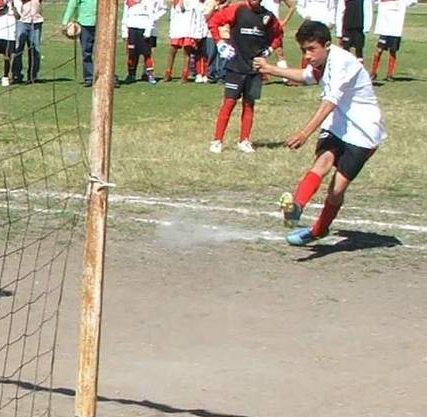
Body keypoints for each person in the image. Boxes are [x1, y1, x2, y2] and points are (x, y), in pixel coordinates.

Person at [254, 21, 385, 246]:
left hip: (364, 131)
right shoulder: (323, 62)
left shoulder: (342, 62)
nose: (307, 55)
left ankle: (318, 230)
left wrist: (305, 132)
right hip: (337, 124)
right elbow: (307, 76)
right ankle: (296, 209)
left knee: (337, 189)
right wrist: (270, 69)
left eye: (312, 49)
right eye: (304, 50)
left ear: (327, 45)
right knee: (322, 163)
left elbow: (330, 102)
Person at [207, 0, 283, 154]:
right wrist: (220, 43)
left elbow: (279, 34)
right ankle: (217, 140)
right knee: (229, 103)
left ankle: (244, 140)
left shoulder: (268, 16)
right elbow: (214, 21)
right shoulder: (237, 9)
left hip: (255, 67)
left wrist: (269, 49)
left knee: (249, 104)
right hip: (235, 66)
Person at [369, 0, 416, 81]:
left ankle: (389, 75)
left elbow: (413, 2)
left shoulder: (402, 2)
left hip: (395, 31)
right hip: (384, 30)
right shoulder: (383, 1)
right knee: (379, 50)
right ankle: (373, 73)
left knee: (393, 51)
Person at [122, 0, 158, 84]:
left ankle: (150, 75)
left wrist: (148, 30)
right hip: (132, 29)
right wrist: (124, 31)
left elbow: (151, 16)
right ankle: (131, 74)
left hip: (144, 29)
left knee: (147, 54)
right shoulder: (128, 1)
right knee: (132, 54)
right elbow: (125, 16)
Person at [61, 0, 95, 86]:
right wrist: (65, 21)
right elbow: (72, 4)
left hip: (102, 23)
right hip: (85, 24)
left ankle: (109, 77)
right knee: (86, 52)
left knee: (105, 52)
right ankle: (89, 77)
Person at [11, 0, 42, 84]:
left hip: (36, 20)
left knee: (35, 50)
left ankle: (33, 76)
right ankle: (16, 75)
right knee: (18, 49)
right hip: (22, 20)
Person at [165, 0, 195, 82]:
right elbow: (172, 16)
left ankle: (185, 74)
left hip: (188, 29)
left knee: (187, 51)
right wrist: (171, 31)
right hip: (177, 29)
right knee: (172, 50)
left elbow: (195, 14)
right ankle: (168, 73)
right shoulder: (175, 2)